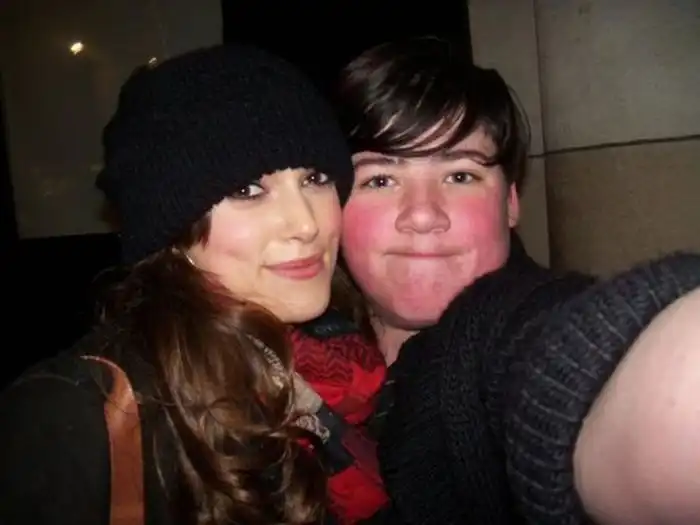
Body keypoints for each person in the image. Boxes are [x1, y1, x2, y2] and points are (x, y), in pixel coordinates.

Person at [0, 45, 387, 525]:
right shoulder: (72, 413)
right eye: (247, 190)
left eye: (316, 178)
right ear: (172, 229)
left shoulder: (348, 356)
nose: (306, 223)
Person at [335, 36, 700, 525]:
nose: (423, 215)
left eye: (460, 175)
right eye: (380, 179)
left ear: (509, 202)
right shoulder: (284, 352)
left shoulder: (514, 320)